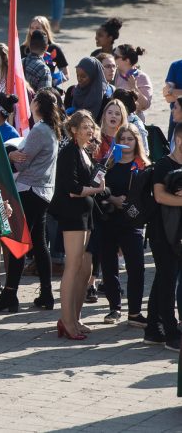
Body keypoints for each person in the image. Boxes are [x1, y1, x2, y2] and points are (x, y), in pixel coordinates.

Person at [0, 88, 64, 312]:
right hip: (43, 191)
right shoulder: (52, 129)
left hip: (31, 190)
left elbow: (23, 161)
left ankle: (10, 295)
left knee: (19, 241)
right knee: (38, 243)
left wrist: (8, 155)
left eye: (34, 99)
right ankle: (46, 293)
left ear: (38, 105)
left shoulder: (40, 130)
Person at [50, 110, 109, 340]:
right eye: (85, 126)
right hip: (72, 216)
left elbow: (86, 182)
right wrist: (96, 189)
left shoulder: (84, 152)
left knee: (84, 267)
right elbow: (72, 189)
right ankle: (66, 321)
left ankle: (74, 318)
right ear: (73, 129)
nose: (90, 130)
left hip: (85, 215)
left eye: (91, 126)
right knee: (72, 267)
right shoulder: (68, 152)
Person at [99, 124, 149, 325]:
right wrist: (113, 199)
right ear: (116, 142)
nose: (126, 143)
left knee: (136, 267)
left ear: (137, 142)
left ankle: (135, 312)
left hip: (133, 223)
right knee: (109, 266)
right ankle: (114, 308)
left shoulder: (144, 166)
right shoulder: (108, 165)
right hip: (109, 221)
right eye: (122, 139)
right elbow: (99, 189)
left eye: (130, 139)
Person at [147, 124, 182, 351]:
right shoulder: (163, 165)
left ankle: (152, 329)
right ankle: (170, 333)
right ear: (179, 139)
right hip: (161, 232)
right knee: (167, 280)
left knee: (163, 278)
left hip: (178, 233)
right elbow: (160, 196)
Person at [112, 44, 153, 122]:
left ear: (127, 60)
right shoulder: (113, 74)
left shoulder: (142, 77)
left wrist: (134, 88)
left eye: (115, 56)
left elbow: (145, 105)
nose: (112, 58)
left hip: (134, 122)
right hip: (114, 120)